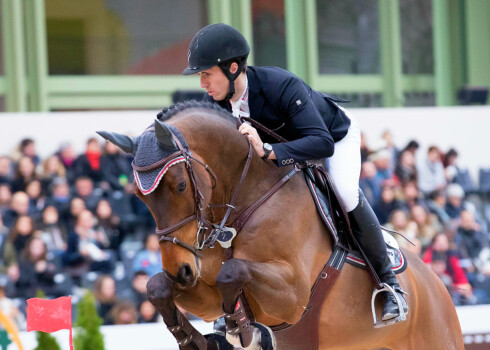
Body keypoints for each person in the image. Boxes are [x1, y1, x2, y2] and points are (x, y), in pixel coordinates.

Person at [182, 23, 407, 323]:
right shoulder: (218, 105)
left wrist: (269, 151)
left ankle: (390, 285)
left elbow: (322, 143)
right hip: (286, 150)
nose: (203, 83)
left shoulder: (280, 85)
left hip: (334, 137)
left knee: (344, 191)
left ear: (232, 68)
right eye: (201, 76)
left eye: (206, 73)